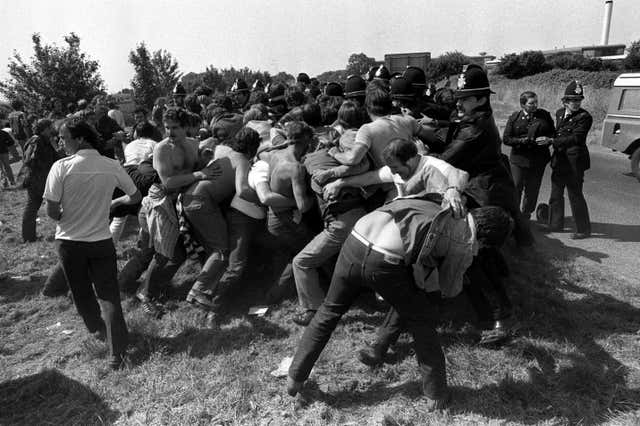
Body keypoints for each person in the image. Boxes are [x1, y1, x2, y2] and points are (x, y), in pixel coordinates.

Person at [287, 196, 510, 411]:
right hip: (384, 261)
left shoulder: (446, 202)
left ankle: (295, 378)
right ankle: (437, 394)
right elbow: (448, 288)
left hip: (355, 239)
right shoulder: (466, 240)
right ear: (485, 239)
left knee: (328, 311)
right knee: (422, 320)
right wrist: (465, 261)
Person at [421, 64, 525, 343]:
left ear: (481, 99)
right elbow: (450, 133)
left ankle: (499, 320)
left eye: (465, 98)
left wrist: (419, 148)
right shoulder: (474, 119)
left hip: (485, 194)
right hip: (485, 189)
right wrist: (423, 129)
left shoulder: (477, 127)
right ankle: (497, 312)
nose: (460, 103)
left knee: (474, 254)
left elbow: (446, 157)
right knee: (480, 255)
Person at [43, 117, 141, 369]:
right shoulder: (112, 165)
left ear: (80, 139)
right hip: (101, 240)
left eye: (64, 138)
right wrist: (112, 204)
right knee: (109, 295)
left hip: (69, 242)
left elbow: (52, 211)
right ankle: (117, 351)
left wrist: (67, 214)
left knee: (81, 291)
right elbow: (135, 195)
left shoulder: (60, 167)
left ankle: (97, 328)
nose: (60, 143)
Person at [133, 107, 217, 316]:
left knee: (181, 252)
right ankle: (146, 295)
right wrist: (200, 174)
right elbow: (168, 181)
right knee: (167, 249)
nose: (170, 132)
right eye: (167, 127)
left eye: (176, 127)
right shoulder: (162, 149)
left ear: (186, 127)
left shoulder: (193, 144)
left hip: (182, 199)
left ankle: (162, 288)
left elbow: (204, 161)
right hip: (162, 199)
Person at [182, 127, 261, 312]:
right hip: (202, 202)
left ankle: (206, 291)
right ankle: (198, 291)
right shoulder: (242, 161)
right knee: (222, 249)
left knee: (213, 248)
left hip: (190, 197)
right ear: (252, 148)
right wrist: (263, 199)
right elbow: (242, 190)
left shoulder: (228, 154)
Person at [262, 121, 316, 302]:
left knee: (290, 253)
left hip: (274, 216)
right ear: (306, 141)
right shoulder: (296, 168)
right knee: (307, 251)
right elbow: (303, 206)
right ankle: (274, 295)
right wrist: (317, 194)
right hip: (285, 219)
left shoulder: (275, 154)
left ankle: (274, 291)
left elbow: (259, 152)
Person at [537, 81, 593, 239]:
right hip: (560, 160)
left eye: (578, 100)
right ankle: (555, 224)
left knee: (575, 195)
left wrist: (551, 141)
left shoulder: (585, 117)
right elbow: (557, 132)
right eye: (572, 100)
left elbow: (576, 138)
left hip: (575, 162)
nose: (576, 104)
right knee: (555, 194)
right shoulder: (560, 113)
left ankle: (583, 229)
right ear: (565, 101)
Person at [502, 91, 555, 220]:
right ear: (523, 104)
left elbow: (553, 133)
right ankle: (514, 214)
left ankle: (526, 214)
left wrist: (548, 139)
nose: (535, 105)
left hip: (538, 160)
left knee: (532, 189)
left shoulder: (544, 116)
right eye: (531, 103)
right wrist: (521, 141)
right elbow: (506, 139)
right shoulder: (515, 118)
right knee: (516, 186)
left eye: (536, 102)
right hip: (519, 159)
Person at [18, 119, 60, 242]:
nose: (52, 129)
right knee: (32, 206)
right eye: (50, 127)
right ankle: (28, 236)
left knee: (34, 205)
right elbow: (29, 160)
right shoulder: (36, 140)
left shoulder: (45, 140)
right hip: (37, 179)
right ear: (45, 128)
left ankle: (29, 236)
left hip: (44, 178)